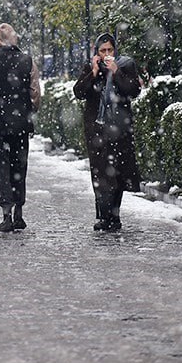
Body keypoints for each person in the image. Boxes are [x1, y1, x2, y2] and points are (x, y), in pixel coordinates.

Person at [0, 23, 41, 233]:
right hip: (20, 123)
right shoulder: (26, 61)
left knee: (1, 166)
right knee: (19, 166)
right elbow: (35, 92)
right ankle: (19, 211)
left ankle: (6, 214)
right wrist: (28, 111)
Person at [72, 32, 142, 232]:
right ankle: (103, 216)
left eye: (110, 50)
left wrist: (116, 71)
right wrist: (93, 72)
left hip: (119, 129)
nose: (106, 54)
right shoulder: (91, 67)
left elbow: (134, 90)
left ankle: (115, 216)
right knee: (100, 173)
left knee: (118, 173)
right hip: (97, 130)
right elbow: (79, 92)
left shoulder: (125, 65)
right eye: (102, 51)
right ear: (97, 52)